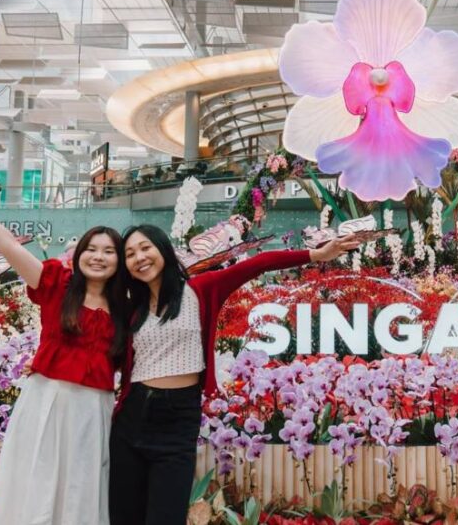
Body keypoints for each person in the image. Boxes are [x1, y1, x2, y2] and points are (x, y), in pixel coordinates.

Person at [108, 225, 360, 525]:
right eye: (130, 254)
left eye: (145, 247)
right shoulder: (130, 309)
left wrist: (315, 254)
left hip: (177, 418)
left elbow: (257, 264)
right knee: (123, 516)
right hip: (132, 417)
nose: (139, 257)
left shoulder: (200, 290)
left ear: (162, 249)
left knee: (166, 516)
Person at [0, 156, 126, 525]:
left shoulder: (126, 307)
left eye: (109, 251)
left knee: (82, 487)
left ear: (120, 261)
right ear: (80, 254)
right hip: (47, 400)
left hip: (94, 410)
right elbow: (6, 244)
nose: (99, 257)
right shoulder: (56, 284)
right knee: (36, 482)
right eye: (92, 248)